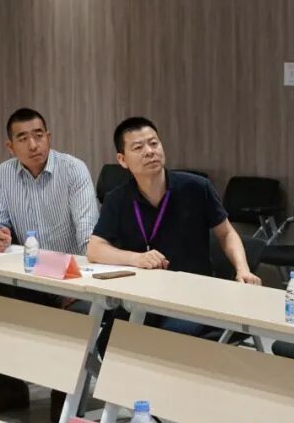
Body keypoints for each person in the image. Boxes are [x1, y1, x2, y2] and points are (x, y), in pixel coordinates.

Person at [0, 107, 99, 416]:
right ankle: (10, 388)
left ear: (49, 137)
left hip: (73, 280)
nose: (33, 145)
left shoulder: (73, 170)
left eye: (39, 136)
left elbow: (88, 236)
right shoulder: (4, 173)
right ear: (10, 146)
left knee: (68, 317)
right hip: (29, 278)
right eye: (23, 138)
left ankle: (64, 390)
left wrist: (79, 283)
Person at [87, 116, 260, 336]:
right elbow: (95, 249)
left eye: (154, 143)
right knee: (110, 338)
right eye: (138, 147)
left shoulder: (197, 188)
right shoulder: (117, 199)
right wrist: (136, 258)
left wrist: (242, 269)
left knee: (165, 337)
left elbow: (226, 234)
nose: (149, 152)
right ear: (122, 160)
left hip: (193, 296)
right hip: (142, 294)